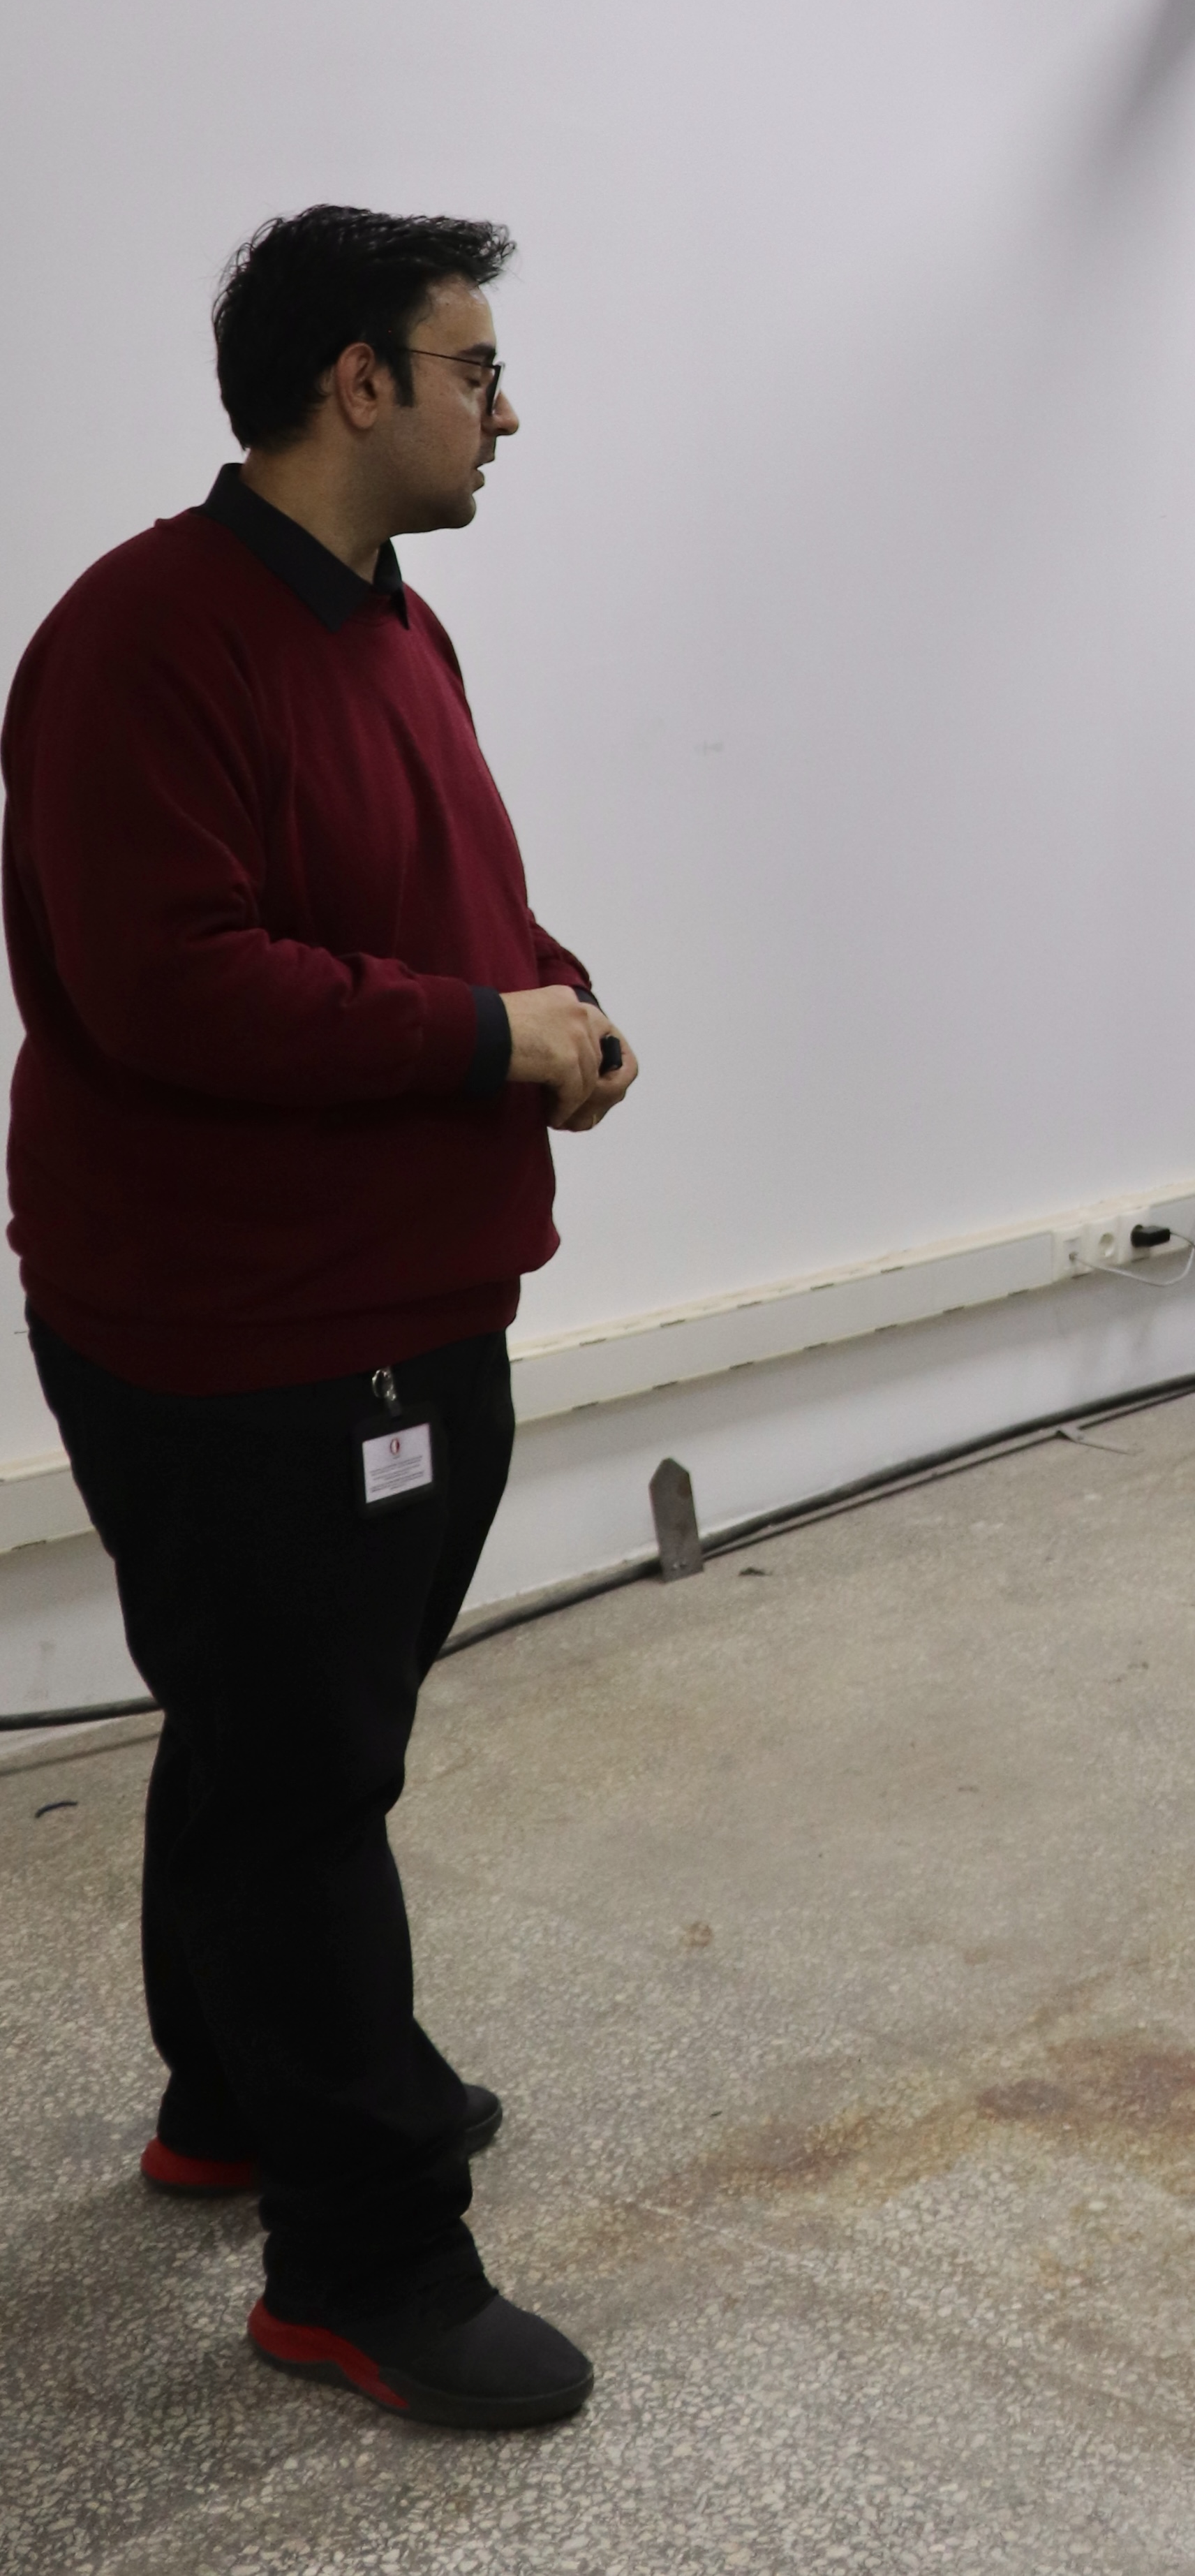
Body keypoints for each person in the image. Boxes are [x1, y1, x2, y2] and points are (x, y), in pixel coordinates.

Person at [5, 207, 636, 2433]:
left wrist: (550, 997)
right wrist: (482, 1036)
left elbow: (437, 895)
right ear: (355, 383)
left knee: (274, 1734)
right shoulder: (142, 641)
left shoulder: (389, 621)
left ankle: (229, 2097)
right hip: (243, 1329)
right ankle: (366, 2267)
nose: (506, 411)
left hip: (395, 1292)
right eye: (474, 368)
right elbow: (168, 986)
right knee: (302, 1786)